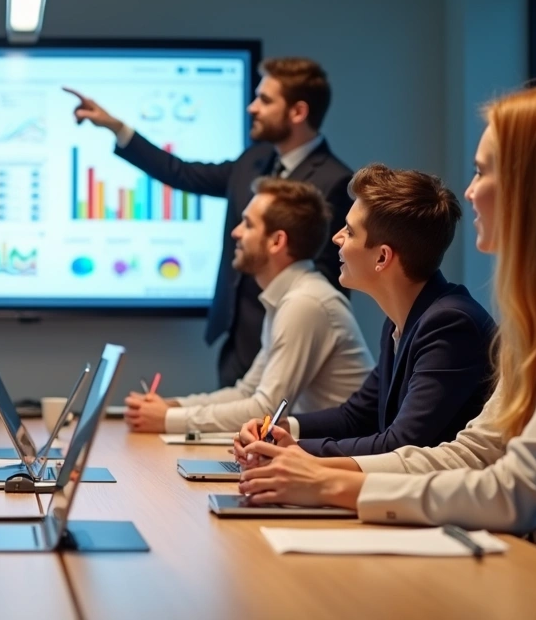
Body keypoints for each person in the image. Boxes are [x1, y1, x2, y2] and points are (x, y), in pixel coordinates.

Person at [237, 84, 536, 585]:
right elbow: (473, 453)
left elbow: (520, 491)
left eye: (482, 171)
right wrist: (319, 472)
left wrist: (331, 484)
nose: (469, 192)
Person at [67, 57, 353, 388]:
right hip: (236, 341)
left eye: (265, 99)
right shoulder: (254, 160)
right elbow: (184, 173)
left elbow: (325, 281)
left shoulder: (333, 181)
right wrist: (118, 128)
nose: (252, 108)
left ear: (298, 112)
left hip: (288, 340)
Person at [233, 164, 495, 458]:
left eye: (349, 231)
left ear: (382, 257)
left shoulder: (450, 325)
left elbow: (401, 443)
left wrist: (292, 451)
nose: (337, 238)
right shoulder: (401, 320)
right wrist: (283, 428)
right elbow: (356, 416)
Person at [125, 178, 373, 434]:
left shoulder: (305, 303)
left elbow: (266, 410)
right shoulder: (291, 296)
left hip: (342, 452)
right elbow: (247, 392)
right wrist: (171, 407)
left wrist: (169, 419)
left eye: (248, 224)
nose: (236, 232)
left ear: (276, 241)